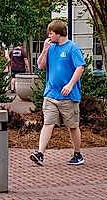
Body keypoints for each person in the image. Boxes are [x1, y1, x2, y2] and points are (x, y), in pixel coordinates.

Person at [29, 19, 86, 167]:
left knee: (72, 126)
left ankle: (77, 153)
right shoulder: (51, 48)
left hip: (68, 96)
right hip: (51, 94)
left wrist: (70, 84)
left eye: (51, 33)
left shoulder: (72, 48)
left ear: (59, 33)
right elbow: (40, 66)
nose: (49, 36)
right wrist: (44, 49)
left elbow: (80, 67)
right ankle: (40, 153)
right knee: (48, 123)